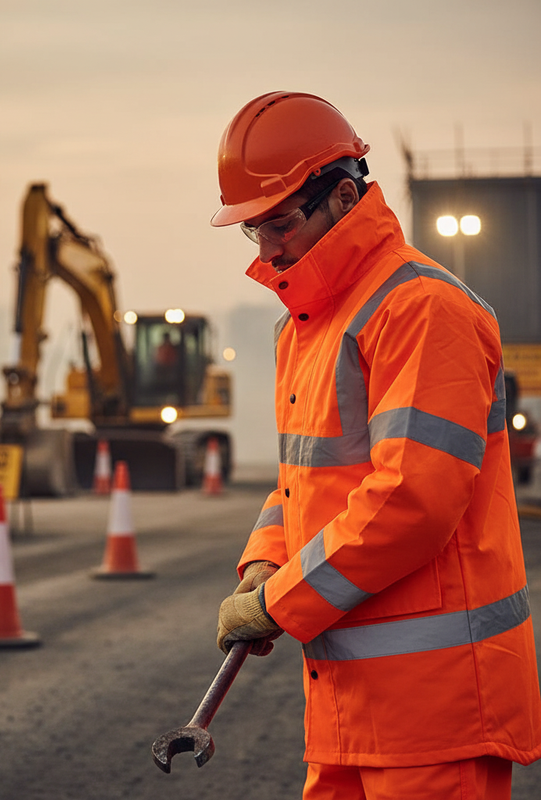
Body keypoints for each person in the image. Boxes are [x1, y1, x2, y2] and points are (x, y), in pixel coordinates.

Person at [212, 91, 541, 799]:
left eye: (280, 222)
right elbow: (306, 479)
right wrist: (264, 562)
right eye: (251, 230)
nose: (267, 248)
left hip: (440, 714)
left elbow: (411, 498)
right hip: (352, 710)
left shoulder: (421, 308)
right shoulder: (307, 327)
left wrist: (281, 602)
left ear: (342, 194)